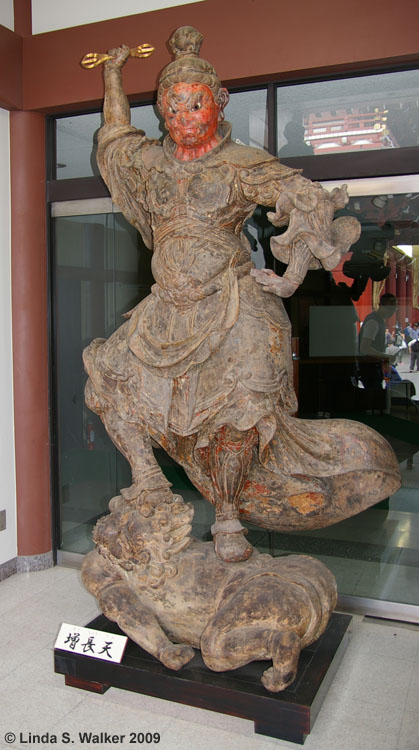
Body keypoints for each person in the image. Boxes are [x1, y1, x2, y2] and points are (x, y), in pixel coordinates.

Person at [83, 26, 400, 563]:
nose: (184, 119)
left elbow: (303, 202)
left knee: (242, 402)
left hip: (231, 298)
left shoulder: (241, 163)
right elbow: (114, 137)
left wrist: (292, 274)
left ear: (219, 102)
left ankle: (229, 516)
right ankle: (149, 477)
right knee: (107, 380)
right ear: (161, 110)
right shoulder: (149, 163)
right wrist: (113, 75)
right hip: (165, 308)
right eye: (173, 108)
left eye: (196, 106)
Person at [358, 293, 398, 390]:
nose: (393, 311)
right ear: (382, 306)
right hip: (369, 367)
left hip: (374, 365)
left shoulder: (378, 320)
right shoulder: (373, 322)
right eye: (391, 307)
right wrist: (385, 356)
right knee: (375, 394)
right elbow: (364, 347)